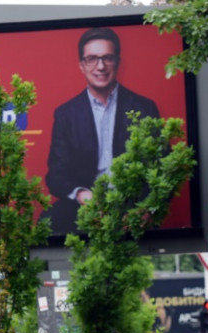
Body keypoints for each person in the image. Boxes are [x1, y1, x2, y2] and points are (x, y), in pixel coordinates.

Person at [44, 27, 160, 233]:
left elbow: (159, 168)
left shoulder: (144, 108)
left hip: (131, 205)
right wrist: (81, 194)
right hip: (86, 205)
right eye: (91, 59)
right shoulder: (66, 114)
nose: (101, 66)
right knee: (48, 222)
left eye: (107, 57)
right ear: (81, 65)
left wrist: (147, 208)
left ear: (118, 62)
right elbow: (56, 176)